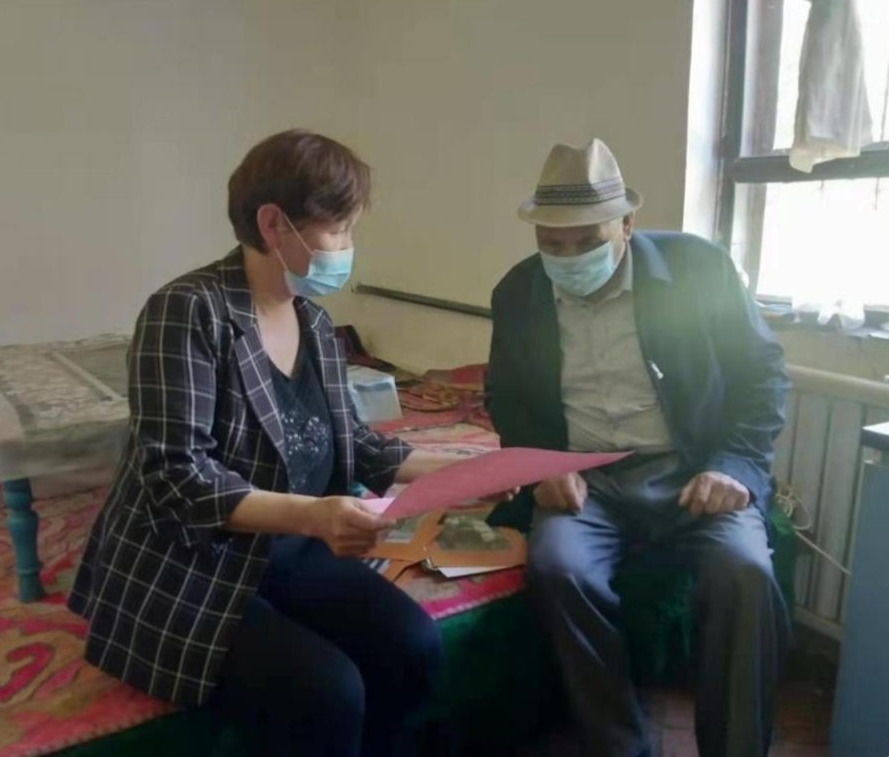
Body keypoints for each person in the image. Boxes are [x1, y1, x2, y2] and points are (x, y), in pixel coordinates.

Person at [68, 129, 475, 757]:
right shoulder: (187, 311)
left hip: (292, 547)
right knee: (326, 691)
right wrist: (313, 515)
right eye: (337, 230)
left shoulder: (315, 323)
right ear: (273, 223)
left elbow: (355, 442)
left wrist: (464, 470)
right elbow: (176, 475)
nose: (348, 248)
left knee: (414, 649)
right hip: (194, 561)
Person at [485, 139, 792, 757]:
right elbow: (507, 397)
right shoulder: (518, 293)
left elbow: (763, 377)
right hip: (588, 478)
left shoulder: (697, 271)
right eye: (552, 243)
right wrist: (542, 466)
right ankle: (619, 745)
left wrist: (733, 466)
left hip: (691, 470)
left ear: (627, 224)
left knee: (746, 574)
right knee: (559, 568)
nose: (569, 257)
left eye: (587, 240)